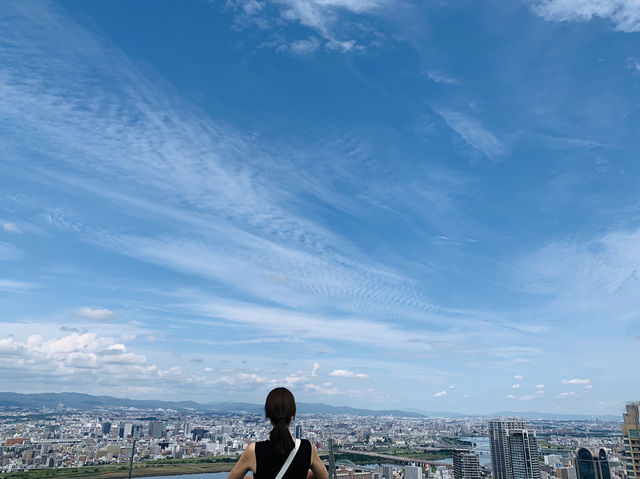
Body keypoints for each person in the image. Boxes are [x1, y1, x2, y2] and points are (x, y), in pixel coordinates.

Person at [228, 387, 329, 479]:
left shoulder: (254, 450)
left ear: (268, 414)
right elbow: (323, 476)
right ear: (293, 413)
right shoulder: (307, 447)